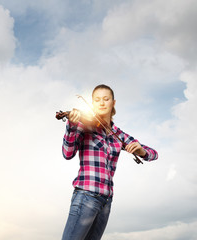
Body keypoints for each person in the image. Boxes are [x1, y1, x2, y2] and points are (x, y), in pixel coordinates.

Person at [61, 84, 158, 240]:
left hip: (105, 202)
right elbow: (67, 153)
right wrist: (71, 127)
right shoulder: (83, 125)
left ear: (113, 103)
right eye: (97, 100)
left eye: (106, 99)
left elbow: (154, 154)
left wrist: (142, 151)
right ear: (92, 103)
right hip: (86, 196)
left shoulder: (118, 134)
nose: (101, 103)